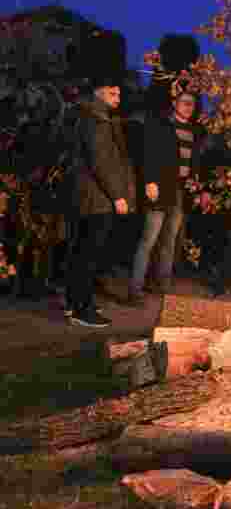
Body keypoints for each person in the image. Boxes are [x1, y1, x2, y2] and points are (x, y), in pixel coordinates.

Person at [66, 74, 138, 327]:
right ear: (98, 92)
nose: (117, 99)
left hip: (89, 196)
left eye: (119, 94)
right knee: (89, 253)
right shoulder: (96, 119)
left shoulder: (90, 115)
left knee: (81, 251)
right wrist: (117, 195)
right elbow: (102, 161)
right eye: (112, 94)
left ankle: (75, 302)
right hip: (96, 197)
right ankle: (81, 309)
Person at [132, 90, 206, 299]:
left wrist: (195, 182)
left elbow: (194, 161)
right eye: (184, 103)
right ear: (175, 103)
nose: (188, 107)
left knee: (169, 241)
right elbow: (148, 154)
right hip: (161, 189)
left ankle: (161, 286)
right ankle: (135, 290)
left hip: (181, 192)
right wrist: (150, 181)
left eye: (192, 104)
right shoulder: (161, 124)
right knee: (149, 239)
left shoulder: (194, 131)